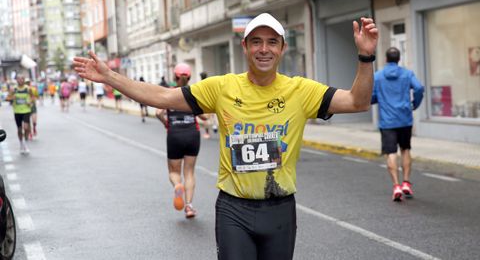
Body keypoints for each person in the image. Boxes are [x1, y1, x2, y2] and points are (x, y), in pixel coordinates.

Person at [74, 13, 378, 260]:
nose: (264, 49)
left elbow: (357, 102)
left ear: (282, 49)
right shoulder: (221, 87)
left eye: (272, 42)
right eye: (256, 41)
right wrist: (109, 77)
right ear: (244, 47)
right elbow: (163, 98)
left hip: (280, 210)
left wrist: (366, 56)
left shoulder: (301, 90)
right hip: (234, 209)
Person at [155, 63, 208, 218]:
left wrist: (166, 123)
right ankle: (189, 207)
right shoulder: (194, 93)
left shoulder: (170, 93)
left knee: (174, 172)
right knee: (190, 172)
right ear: (189, 77)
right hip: (193, 133)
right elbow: (205, 116)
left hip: (174, 134)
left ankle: (178, 185)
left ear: (175, 77)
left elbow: (158, 113)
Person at [371, 47, 424, 202]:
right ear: (399, 59)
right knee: (405, 149)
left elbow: (372, 96)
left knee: (391, 153)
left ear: (386, 59)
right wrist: (415, 104)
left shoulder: (378, 76)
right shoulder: (407, 74)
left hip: (387, 121)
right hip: (405, 119)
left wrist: (379, 99)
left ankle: (396, 186)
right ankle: (406, 182)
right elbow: (419, 88)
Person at [6, 76, 35, 154]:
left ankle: (25, 142)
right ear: (16, 80)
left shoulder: (28, 89)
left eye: (22, 79)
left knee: (26, 128)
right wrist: (12, 98)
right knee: (19, 129)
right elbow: (7, 98)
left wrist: (30, 102)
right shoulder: (13, 89)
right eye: (18, 79)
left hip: (26, 110)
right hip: (17, 111)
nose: (20, 80)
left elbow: (33, 97)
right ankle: (21, 143)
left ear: (24, 80)